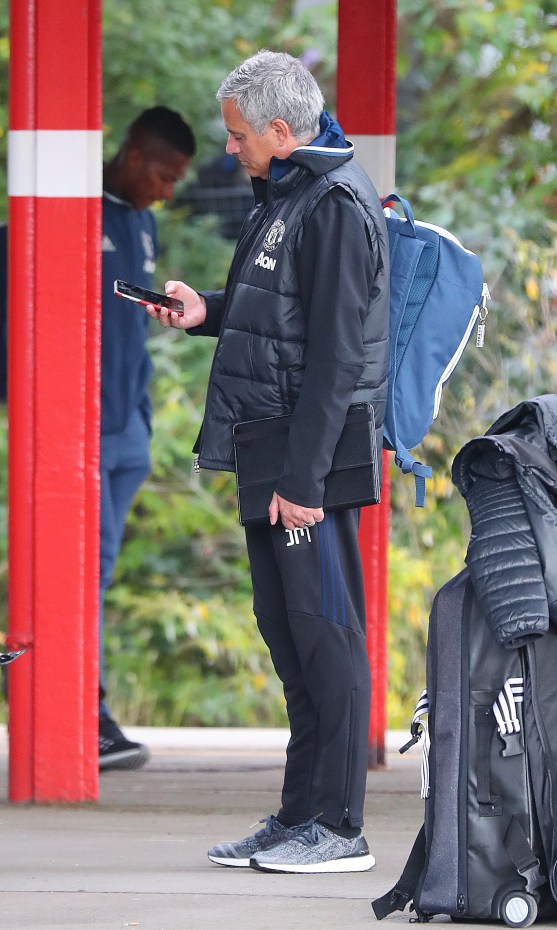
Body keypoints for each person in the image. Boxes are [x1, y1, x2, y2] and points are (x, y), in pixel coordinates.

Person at [153, 50, 389, 873]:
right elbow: (277, 318)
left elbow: (333, 359)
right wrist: (205, 310)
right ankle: (298, 817)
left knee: (326, 635)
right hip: (272, 448)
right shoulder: (285, 194)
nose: (229, 150)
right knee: (288, 636)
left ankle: (341, 829)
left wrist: (304, 482)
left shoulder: (334, 206)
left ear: (281, 132)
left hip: (307, 460)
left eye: (237, 135)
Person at [98, 107, 195, 770]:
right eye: (161, 174)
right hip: (82, 424)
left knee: (100, 570)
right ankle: (85, 709)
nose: (166, 189)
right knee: (85, 571)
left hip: (130, 424)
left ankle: (91, 709)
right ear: (133, 155)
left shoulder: (144, 222)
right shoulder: (70, 212)